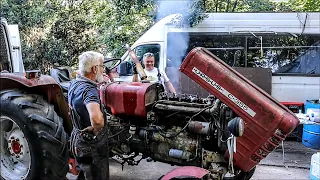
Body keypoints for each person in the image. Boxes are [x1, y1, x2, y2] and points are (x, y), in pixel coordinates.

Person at [68, 51, 109, 180]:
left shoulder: (75, 84)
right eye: (102, 66)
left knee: (85, 174)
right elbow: (97, 120)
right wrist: (96, 131)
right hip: (91, 145)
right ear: (95, 68)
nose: (103, 70)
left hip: (78, 139)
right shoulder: (89, 90)